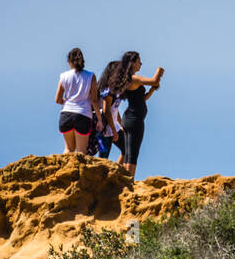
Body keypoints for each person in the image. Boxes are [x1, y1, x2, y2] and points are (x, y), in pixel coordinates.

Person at [106, 51, 164, 180]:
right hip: (134, 119)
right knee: (132, 154)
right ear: (132, 63)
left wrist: (152, 90)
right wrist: (160, 71)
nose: (141, 64)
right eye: (139, 61)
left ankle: (124, 180)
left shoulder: (129, 79)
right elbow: (154, 80)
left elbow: (143, 99)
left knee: (128, 152)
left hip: (130, 118)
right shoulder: (133, 78)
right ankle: (128, 181)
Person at [54, 47, 98, 154]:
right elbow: (94, 100)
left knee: (68, 149)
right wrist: (100, 119)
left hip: (66, 114)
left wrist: (67, 101)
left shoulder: (63, 76)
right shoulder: (90, 76)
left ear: (69, 62)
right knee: (81, 151)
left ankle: (64, 170)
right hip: (83, 115)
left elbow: (58, 99)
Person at [92, 60, 125, 160]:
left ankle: (118, 174)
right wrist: (114, 131)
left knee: (127, 149)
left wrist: (121, 125)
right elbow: (106, 111)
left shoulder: (115, 89)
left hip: (113, 126)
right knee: (103, 157)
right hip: (104, 129)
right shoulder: (107, 89)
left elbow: (114, 108)